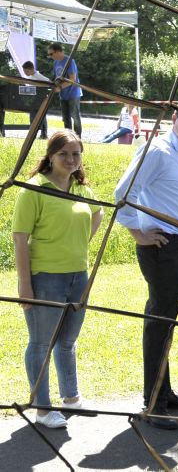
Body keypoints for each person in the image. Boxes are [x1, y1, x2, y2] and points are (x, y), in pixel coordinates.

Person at [114, 99, 178, 430]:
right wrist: (138, 234)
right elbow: (123, 193)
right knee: (159, 322)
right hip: (162, 247)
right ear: (175, 117)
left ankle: (164, 393)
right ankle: (152, 404)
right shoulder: (157, 150)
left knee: (167, 322)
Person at [12, 131, 103, 429]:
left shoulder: (80, 188)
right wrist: (25, 285)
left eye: (76, 154)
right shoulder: (33, 189)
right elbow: (20, 239)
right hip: (45, 277)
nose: (71, 160)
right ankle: (41, 408)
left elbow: (97, 212)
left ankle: (71, 398)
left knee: (67, 341)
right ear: (50, 155)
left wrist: (79, 244)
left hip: (78, 276)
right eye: (64, 153)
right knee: (41, 343)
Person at [47, 43, 83, 137]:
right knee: (66, 118)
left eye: (51, 54)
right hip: (63, 95)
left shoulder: (70, 61)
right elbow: (57, 78)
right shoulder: (56, 63)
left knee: (75, 117)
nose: (50, 56)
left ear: (58, 51)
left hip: (73, 94)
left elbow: (72, 79)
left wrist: (60, 87)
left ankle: (78, 137)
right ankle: (68, 138)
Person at [21, 60, 50, 139]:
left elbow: (49, 82)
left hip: (41, 98)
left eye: (25, 71)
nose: (24, 72)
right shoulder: (31, 77)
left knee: (41, 116)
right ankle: (36, 134)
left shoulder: (38, 76)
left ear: (30, 69)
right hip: (35, 98)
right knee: (34, 116)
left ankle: (43, 134)